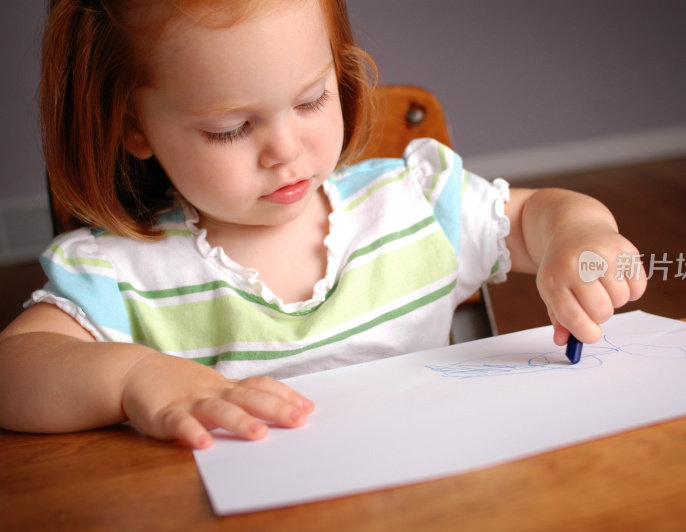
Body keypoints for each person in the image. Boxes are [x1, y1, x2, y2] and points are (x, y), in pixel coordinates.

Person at [0, 0, 646, 449]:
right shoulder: (125, 271)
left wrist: (579, 241)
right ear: (135, 126)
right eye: (231, 129)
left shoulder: (413, 206)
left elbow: (540, 214)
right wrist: (135, 379)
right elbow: (15, 369)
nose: (287, 149)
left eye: (312, 99)